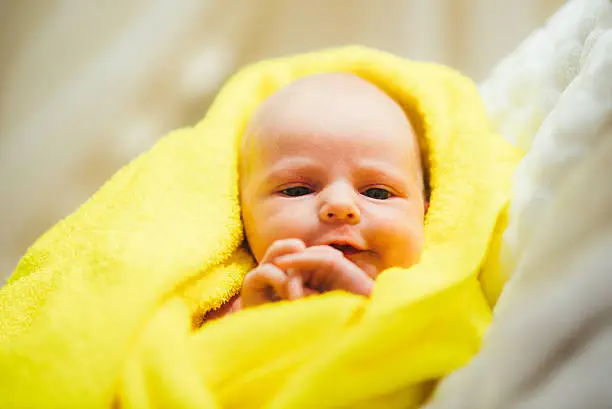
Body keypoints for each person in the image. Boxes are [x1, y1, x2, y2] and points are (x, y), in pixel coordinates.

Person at [206, 72, 429, 319]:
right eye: (296, 191)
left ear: (424, 214)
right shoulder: (235, 308)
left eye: (377, 193)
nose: (340, 204)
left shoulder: (439, 294)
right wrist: (261, 324)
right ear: (241, 216)